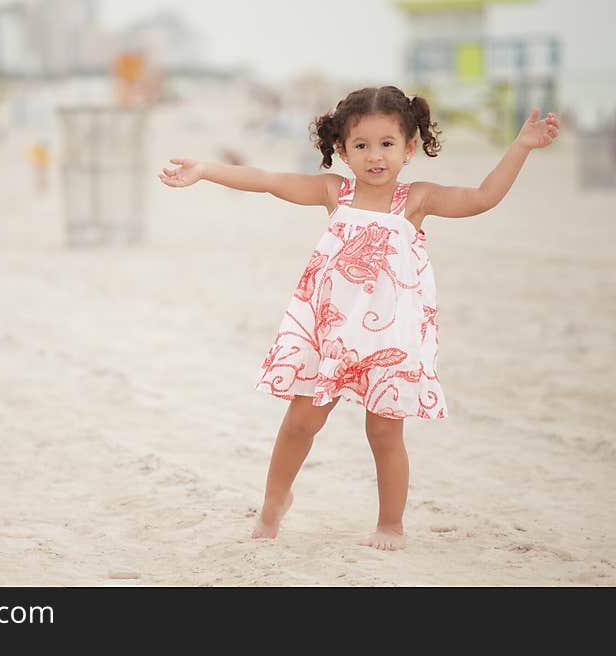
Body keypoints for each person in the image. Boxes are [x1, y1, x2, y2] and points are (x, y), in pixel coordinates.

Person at [158, 85, 560, 551]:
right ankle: (273, 501)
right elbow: (267, 179)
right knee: (300, 422)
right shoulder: (335, 193)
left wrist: (522, 146)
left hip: (390, 334)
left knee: (385, 430)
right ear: (342, 151)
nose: (375, 156)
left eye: (387, 144)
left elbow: (483, 197)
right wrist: (205, 170)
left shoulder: (418, 200)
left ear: (410, 148)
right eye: (361, 146)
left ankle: (391, 524)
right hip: (330, 331)